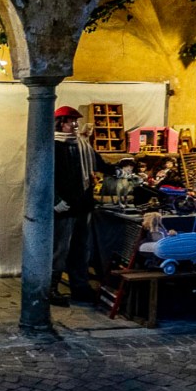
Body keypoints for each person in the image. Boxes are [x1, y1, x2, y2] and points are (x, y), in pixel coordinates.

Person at [52, 105, 111, 306]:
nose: (75, 125)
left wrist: (121, 169)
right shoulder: (52, 146)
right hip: (65, 208)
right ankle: (51, 289)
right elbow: (43, 177)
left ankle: (80, 287)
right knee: (60, 250)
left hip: (83, 205)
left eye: (76, 121)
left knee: (81, 249)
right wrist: (55, 200)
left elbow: (99, 164)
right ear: (61, 123)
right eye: (70, 121)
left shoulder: (83, 145)